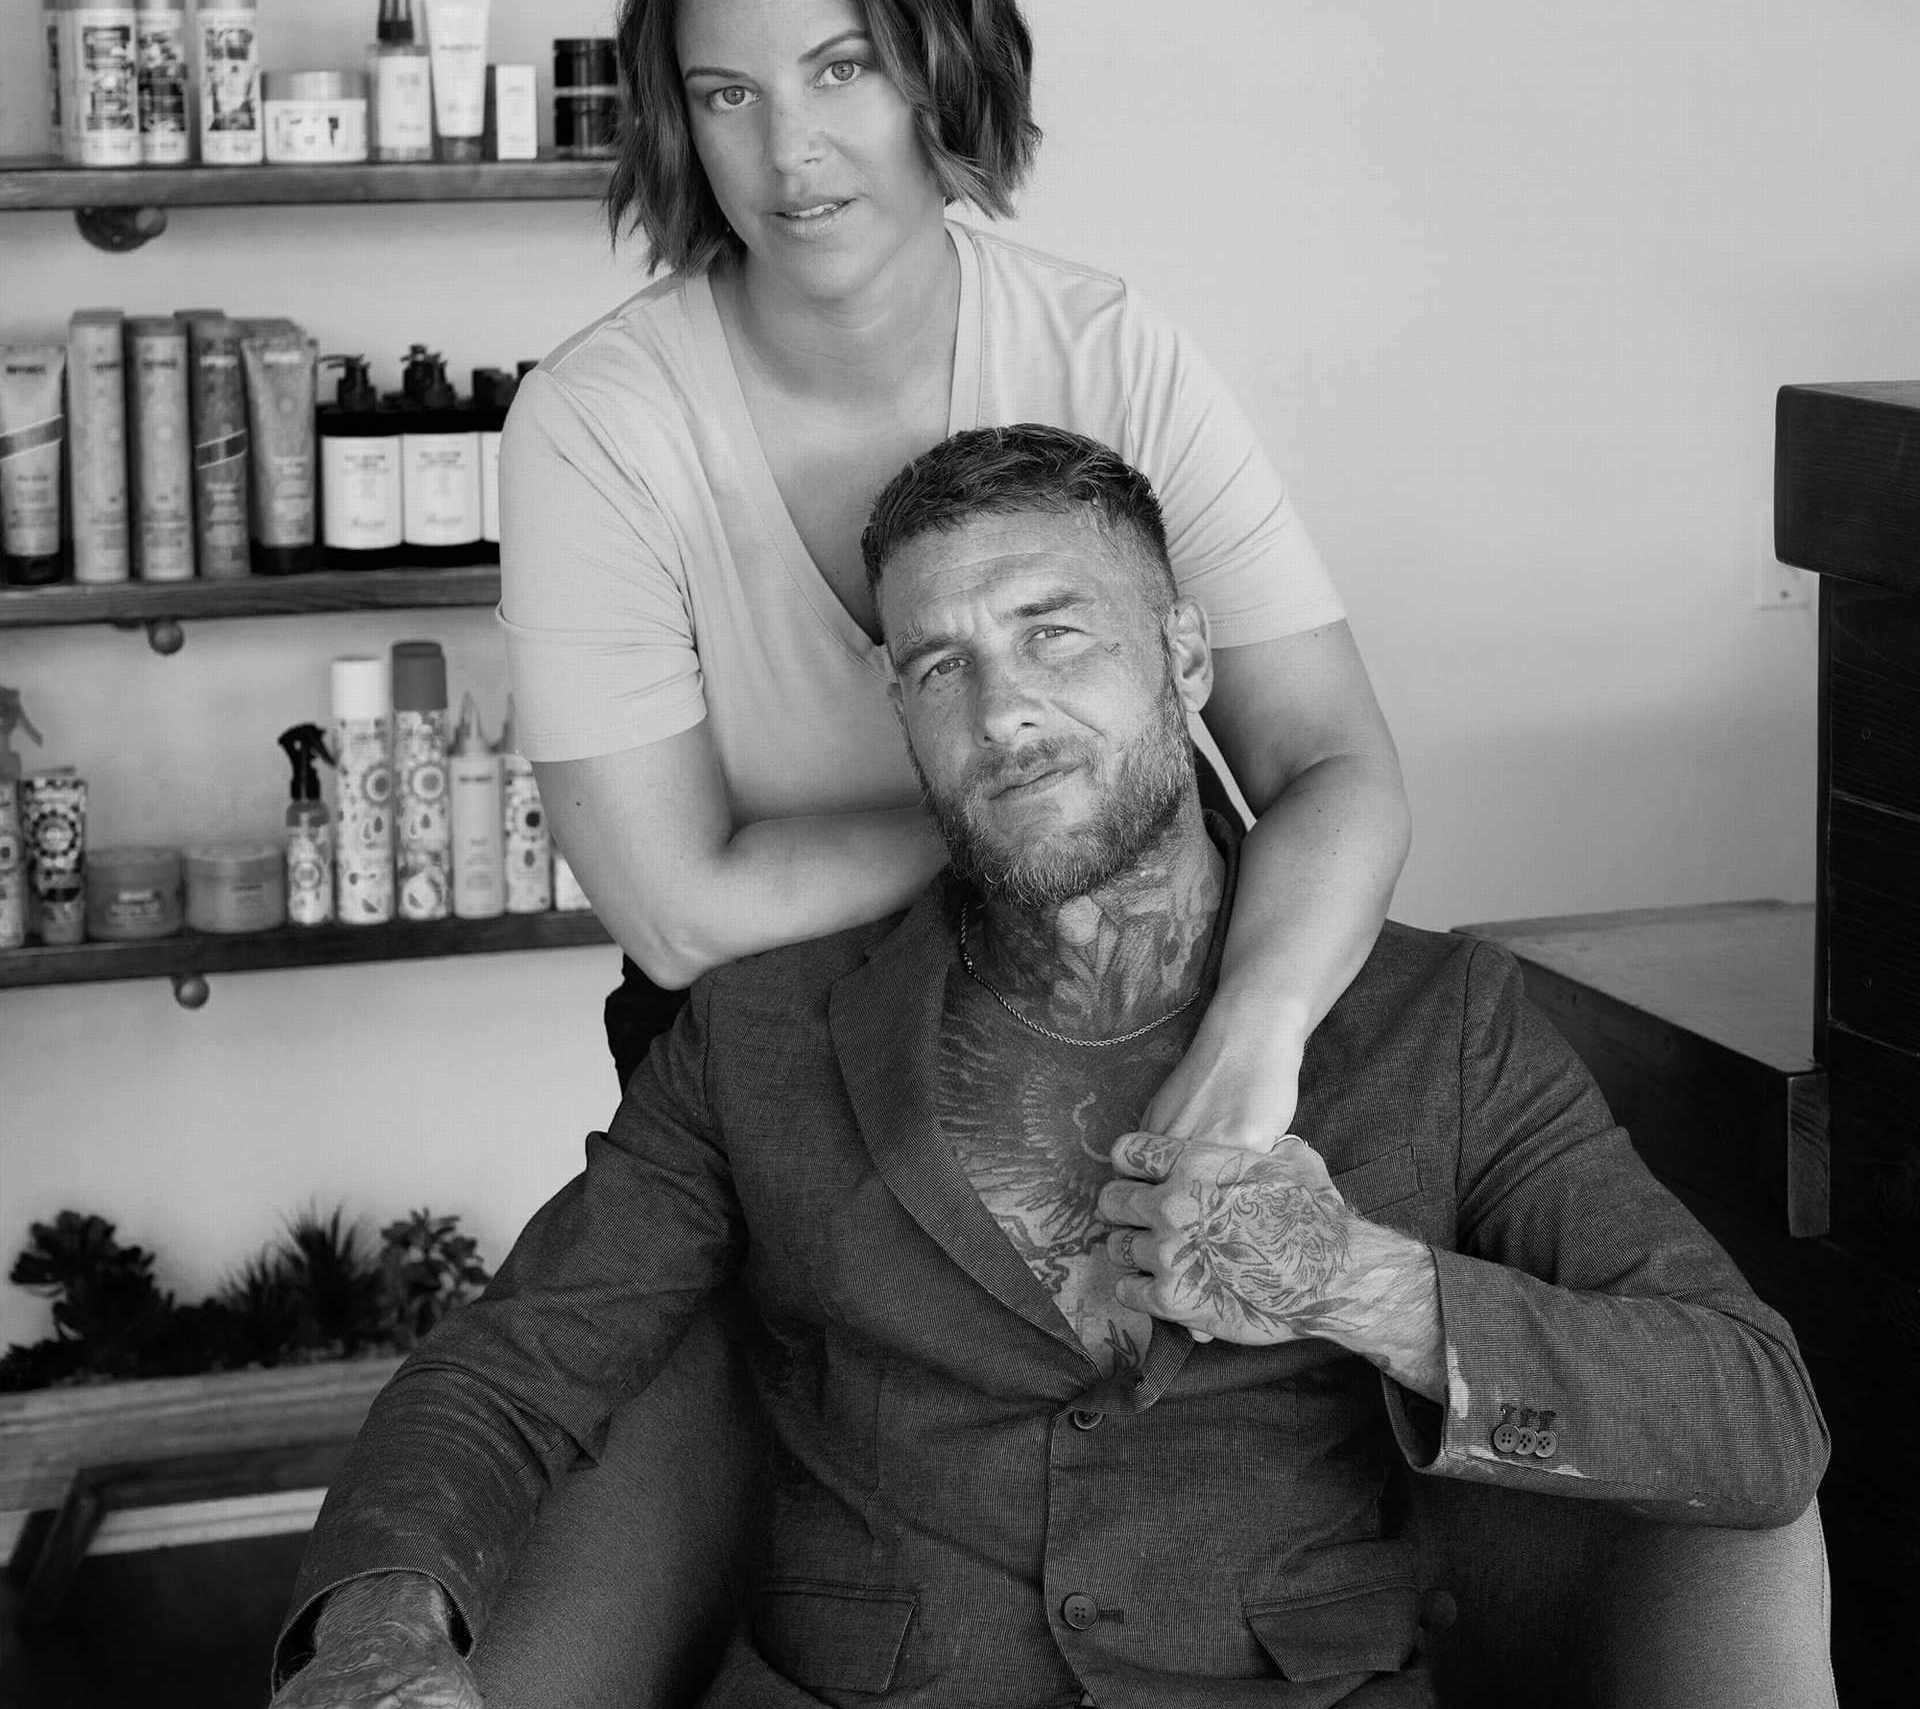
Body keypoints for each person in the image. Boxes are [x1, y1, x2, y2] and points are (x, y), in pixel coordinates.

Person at [273, 428, 1827, 1709]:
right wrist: (378, 1630)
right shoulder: (762, 1035)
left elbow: (1759, 1421)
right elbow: (514, 1364)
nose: (1002, 708)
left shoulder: (1441, 1023)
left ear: (1185, 654)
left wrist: (1359, 1284)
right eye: (937, 666)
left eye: (1052, 633)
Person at [499, 0, 1411, 1147]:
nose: (791, 151)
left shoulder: (1110, 355)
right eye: (728, 94)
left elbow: (1336, 765)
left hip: (1136, 1015)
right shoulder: (596, 426)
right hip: (766, 1064)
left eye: (843, 69)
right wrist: (1055, 813)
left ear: (944, 65)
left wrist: (1256, 1028)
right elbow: (676, 914)